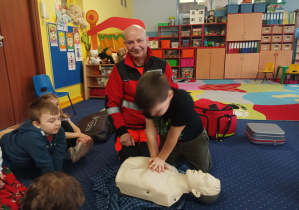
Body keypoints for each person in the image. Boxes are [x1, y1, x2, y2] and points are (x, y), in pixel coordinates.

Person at [105, 24, 178, 162]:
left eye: (139, 40)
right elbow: (112, 105)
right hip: (128, 128)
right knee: (128, 161)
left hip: (155, 126)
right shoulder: (118, 70)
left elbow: (174, 97)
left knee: (149, 160)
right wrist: (122, 132)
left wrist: (165, 127)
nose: (136, 46)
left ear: (147, 40)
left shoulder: (162, 65)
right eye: (131, 42)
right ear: (125, 43)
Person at [134, 72, 212, 173]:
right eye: (149, 112)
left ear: (169, 95)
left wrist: (161, 158)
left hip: (193, 139)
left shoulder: (184, 102)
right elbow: (150, 132)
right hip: (167, 136)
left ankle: (204, 148)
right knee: (162, 168)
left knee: (203, 169)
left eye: (157, 111)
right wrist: (155, 157)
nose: (152, 114)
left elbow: (173, 136)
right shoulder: (149, 103)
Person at [116, 157, 220, 207]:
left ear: (196, 192)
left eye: (203, 178)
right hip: (130, 166)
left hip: (123, 175)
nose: (200, 171)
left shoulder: (167, 194)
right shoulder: (172, 169)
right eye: (204, 173)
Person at [0, 99, 66, 174]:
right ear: (37, 124)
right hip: (8, 151)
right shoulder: (32, 137)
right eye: (52, 121)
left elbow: (59, 152)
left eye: (59, 118)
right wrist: (53, 179)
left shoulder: (59, 130)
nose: (58, 123)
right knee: (5, 174)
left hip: (24, 144)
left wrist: (58, 172)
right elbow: (45, 163)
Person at [39, 93, 93, 163]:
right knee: (60, 128)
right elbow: (60, 134)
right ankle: (70, 152)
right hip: (53, 142)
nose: (57, 107)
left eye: (57, 104)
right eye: (52, 105)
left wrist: (79, 137)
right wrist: (79, 135)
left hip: (66, 139)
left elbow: (75, 128)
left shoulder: (62, 115)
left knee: (65, 123)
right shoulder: (46, 120)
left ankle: (77, 147)